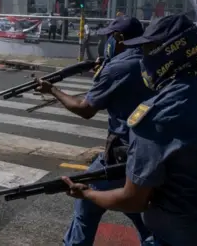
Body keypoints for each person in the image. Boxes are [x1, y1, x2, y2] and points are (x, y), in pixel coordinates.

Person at [60, 14, 197, 246]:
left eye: (148, 49)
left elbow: (133, 200)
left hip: (176, 236)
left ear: (166, 54)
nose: (143, 58)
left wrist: (86, 194)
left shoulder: (154, 115)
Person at [34, 16, 154, 246]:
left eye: (109, 37)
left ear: (119, 38)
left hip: (121, 153)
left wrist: (52, 90)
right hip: (148, 153)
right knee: (138, 208)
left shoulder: (117, 68)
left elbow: (85, 109)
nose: (106, 41)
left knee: (87, 201)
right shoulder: (151, 61)